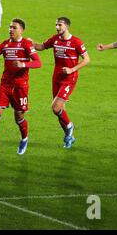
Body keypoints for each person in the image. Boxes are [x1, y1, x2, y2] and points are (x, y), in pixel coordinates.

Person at [0, 19, 42, 161]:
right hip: (5, 85)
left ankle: (24, 138)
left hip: (20, 87)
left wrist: (23, 64)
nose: (10, 30)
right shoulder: (5, 44)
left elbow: (38, 63)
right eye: (10, 27)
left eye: (14, 28)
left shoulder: (26, 44)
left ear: (21, 30)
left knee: (19, 117)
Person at [32, 17, 90, 148]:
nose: (57, 27)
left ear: (67, 26)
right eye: (56, 25)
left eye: (60, 25)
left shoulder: (76, 42)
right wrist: (31, 43)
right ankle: (69, 137)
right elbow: (42, 46)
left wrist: (72, 69)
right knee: (60, 110)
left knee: (55, 107)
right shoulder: (55, 39)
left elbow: (87, 59)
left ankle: (70, 126)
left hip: (69, 79)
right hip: (56, 77)